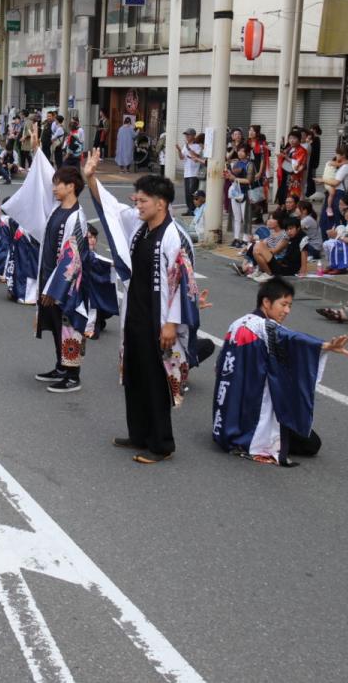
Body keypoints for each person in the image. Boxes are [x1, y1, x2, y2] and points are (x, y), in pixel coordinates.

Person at [85, 150, 202, 464]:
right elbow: (111, 207)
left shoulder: (174, 237)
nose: (137, 206)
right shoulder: (139, 227)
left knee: (155, 381)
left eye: (143, 201)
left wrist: (171, 323)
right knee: (134, 375)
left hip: (158, 319)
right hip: (135, 313)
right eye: (136, 200)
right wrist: (91, 177)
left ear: (161, 203)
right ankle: (138, 433)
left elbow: (180, 284)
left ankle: (161, 444)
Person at [212, 277, 348, 466]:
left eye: (289, 306)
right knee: (312, 444)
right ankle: (255, 441)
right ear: (266, 302)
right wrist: (323, 346)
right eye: (283, 304)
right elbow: (291, 339)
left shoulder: (237, 324)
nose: (287, 311)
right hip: (252, 417)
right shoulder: (264, 327)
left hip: (226, 417)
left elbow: (219, 365)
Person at [33, 165, 90, 392]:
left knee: (70, 327)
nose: (54, 188)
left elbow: (72, 257)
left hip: (67, 285)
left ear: (71, 186)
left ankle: (73, 375)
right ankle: (61, 366)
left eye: (58, 184)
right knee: (57, 326)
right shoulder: (57, 210)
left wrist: (54, 288)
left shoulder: (76, 216)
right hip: (50, 278)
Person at [225, 145, 255, 247]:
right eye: (239, 151)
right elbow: (232, 178)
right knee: (236, 217)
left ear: (247, 153)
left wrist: (234, 178)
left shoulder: (250, 164)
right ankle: (236, 238)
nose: (240, 153)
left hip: (245, 193)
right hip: (235, 193)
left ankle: (245, 240)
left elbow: (249, 180)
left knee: (246, 217)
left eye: (242, 151)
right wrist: (229, 176)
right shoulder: (236, 163)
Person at [176, 128, 202, 214]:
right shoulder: (185, 145)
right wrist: (179, 150)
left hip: (194, 173)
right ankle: (189, 209)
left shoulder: (197, 146)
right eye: (186, 135)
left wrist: (188, 148)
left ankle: (194, 210)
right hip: (187, 172)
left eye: (188, 135)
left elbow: (197, 156)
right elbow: (182, 157)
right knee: (187, 193)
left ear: (193, 136)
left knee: (192, 192)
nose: (186, 136)